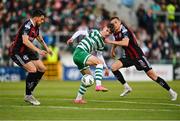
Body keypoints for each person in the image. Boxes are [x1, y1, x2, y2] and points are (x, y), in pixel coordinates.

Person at [105, 17, 177, 101]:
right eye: (112, 23)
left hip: (138, 56)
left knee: (152, 76)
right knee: (113, 67)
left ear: (120, 22)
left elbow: (125, 43)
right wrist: (112, 50)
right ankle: (127, 87)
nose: (114, 24)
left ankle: (172, 92)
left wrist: (110, 42)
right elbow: (117, 40)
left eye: (116, 22)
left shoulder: (125, 30)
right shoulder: (115, 32)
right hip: (128, 56)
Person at [9, 9, 53, 105]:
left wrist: (47, 48)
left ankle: (29, 91)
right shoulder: (27, 26)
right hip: (17, 52)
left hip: (27, 51)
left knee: (42, 68)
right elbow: (25, 41)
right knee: (33, 70)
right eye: (41, 19)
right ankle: (28, 95)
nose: (42, 21)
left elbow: (39, 38)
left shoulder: (36, 26)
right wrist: (38, 50)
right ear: (36, 17)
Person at [69, 23, 115, 104]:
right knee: (99, 63)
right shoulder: (95, 32)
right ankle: (98, 85)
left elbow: (99, 55)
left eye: (109, 33)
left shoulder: (102, 43)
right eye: (107, 30)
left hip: (80, 57)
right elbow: (80, 32)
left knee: (89, 78)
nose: (107, 33)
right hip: (80, 52)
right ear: (104, 28)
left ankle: (78, 99)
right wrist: (72, 38)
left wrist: (106, 67)